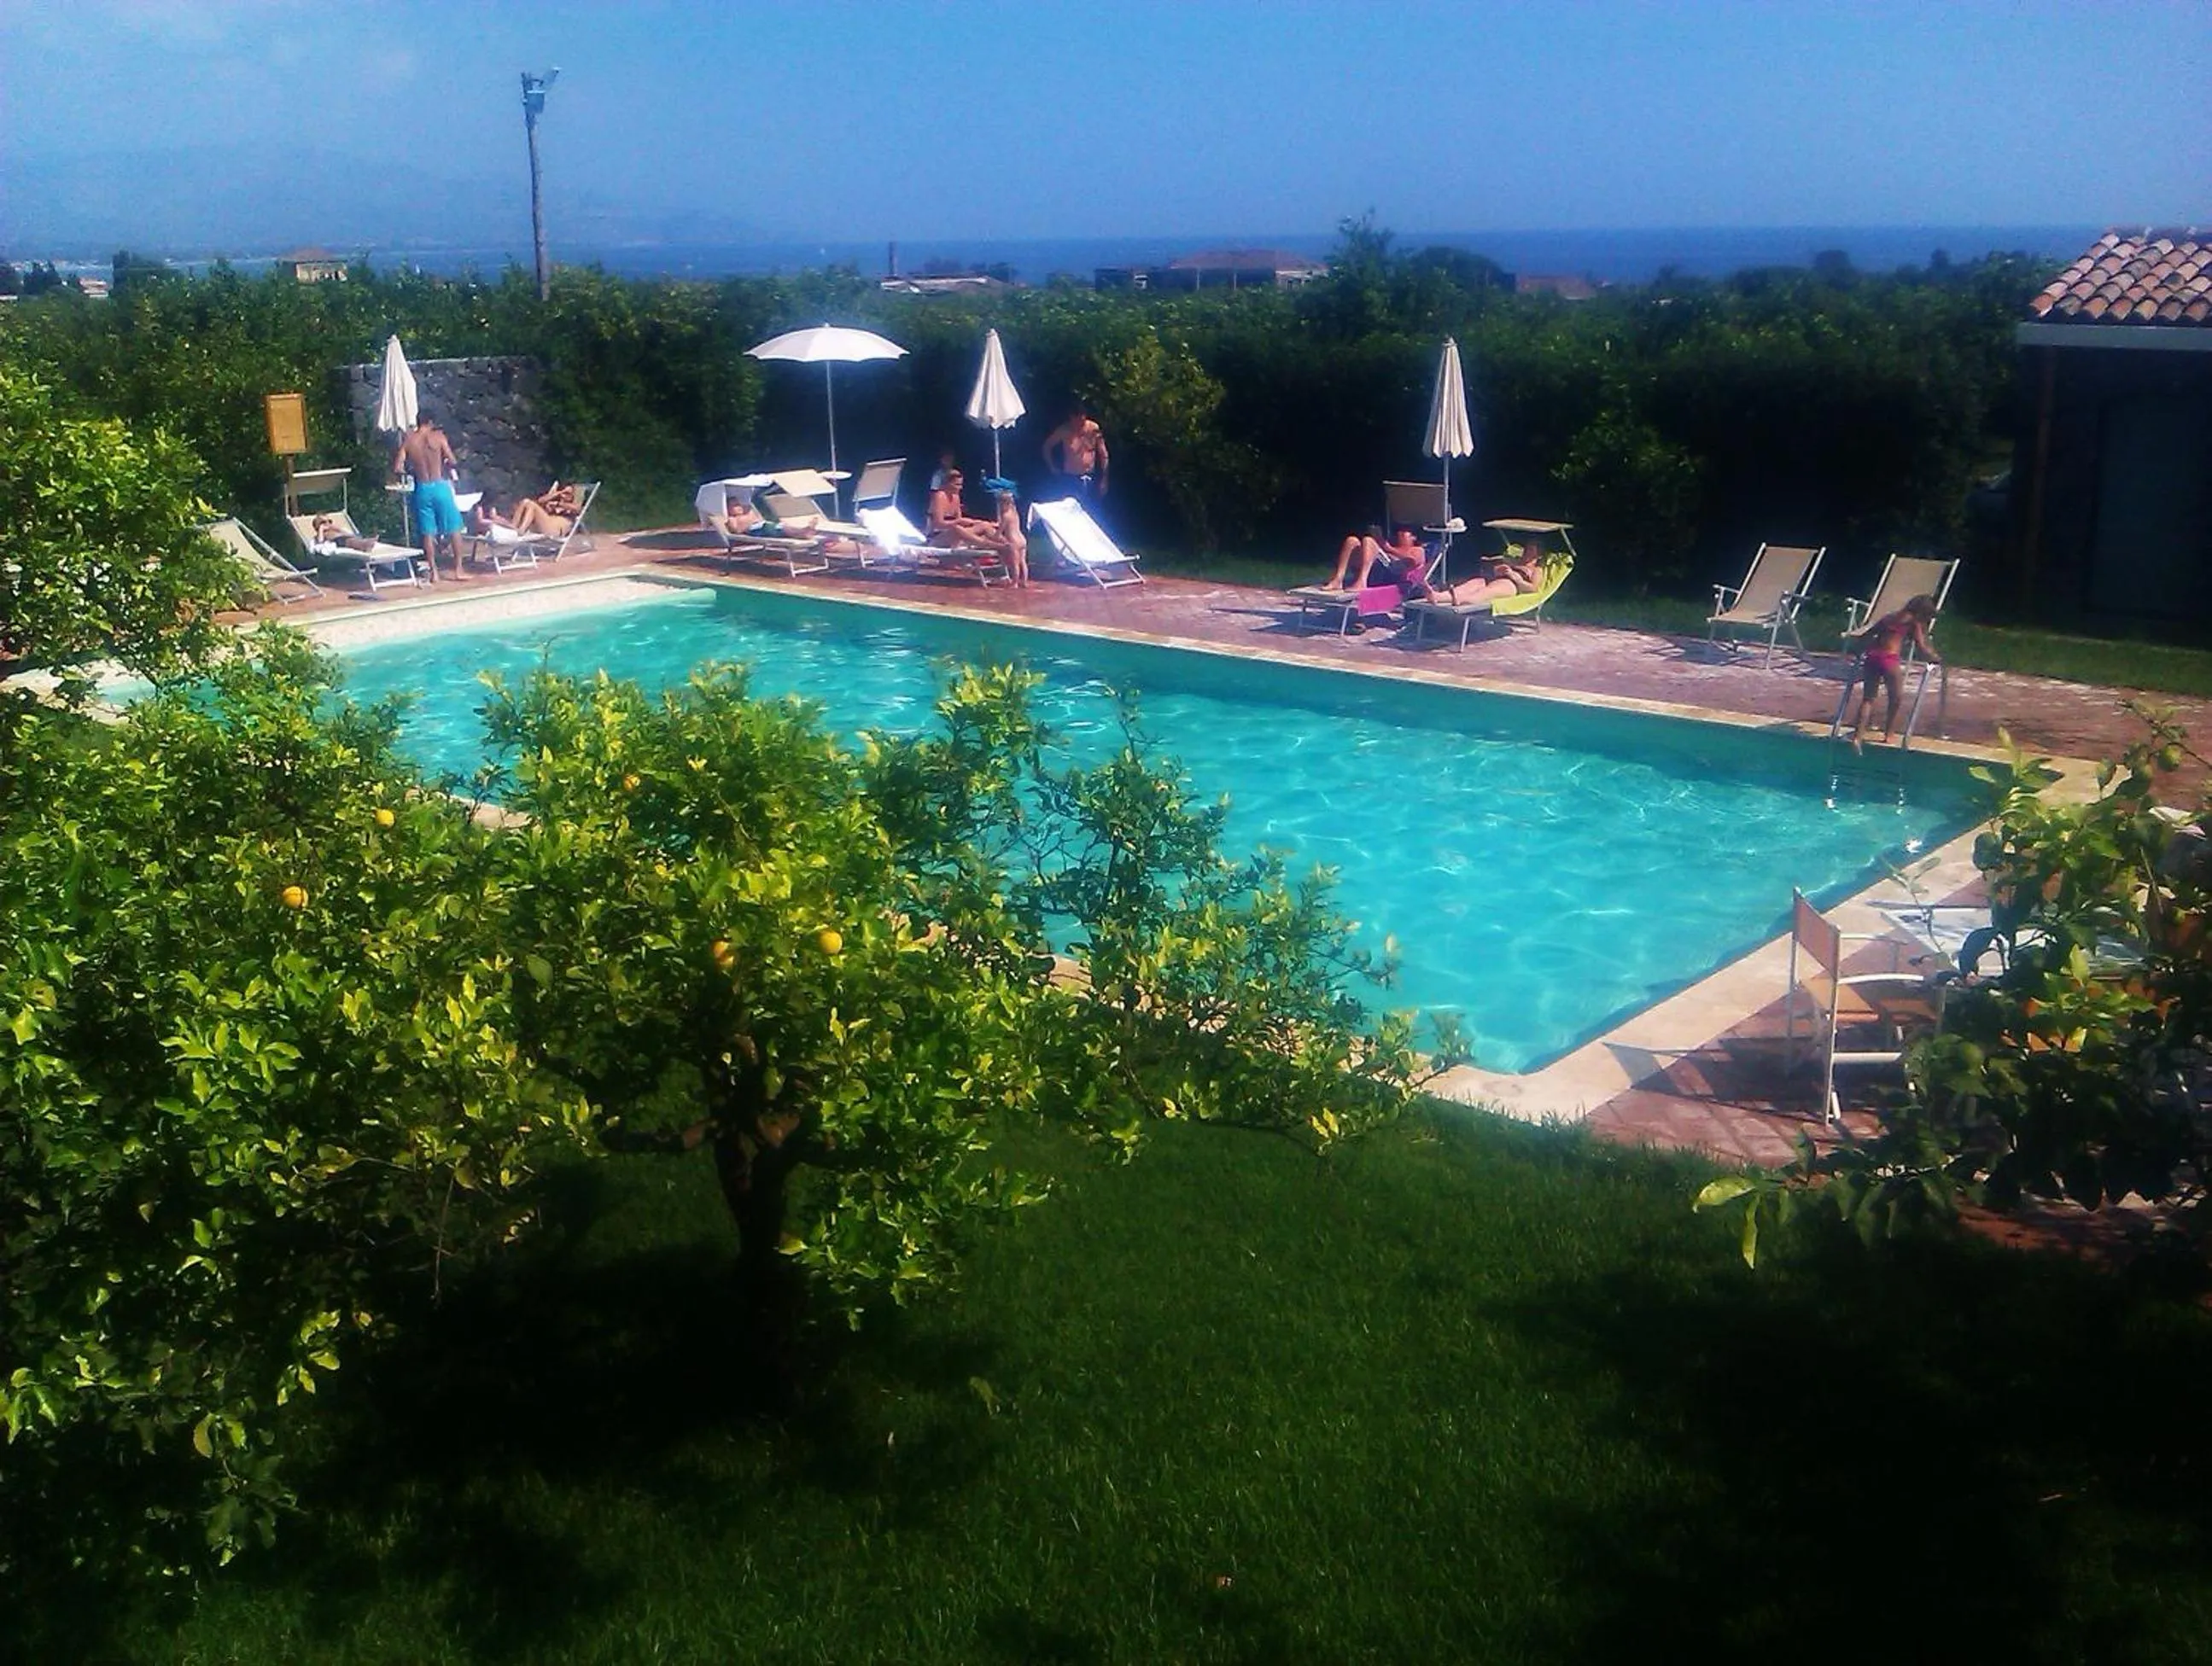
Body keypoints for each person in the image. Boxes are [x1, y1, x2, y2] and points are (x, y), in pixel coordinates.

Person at [1845, 593, 1942, 751]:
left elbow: (1866, 635)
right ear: (1922, 612)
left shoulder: (1889, 617)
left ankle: (1857, 737)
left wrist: (1856, 649)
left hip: (1872, 658)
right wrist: (1936, 658)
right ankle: (1889, 734)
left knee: (1868, 699)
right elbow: (1921, 647)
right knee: (1896, 698)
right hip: (1888, 659)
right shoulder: (1913, 622)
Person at [392, 411, 465, 582]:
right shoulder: (438, 437)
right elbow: (452, 460)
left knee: (428, 532)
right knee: (454, 528)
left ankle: (434, 572)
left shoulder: (409, 441)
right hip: (440, 485)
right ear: (430, 422)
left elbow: (397, 468)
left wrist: (412, 470)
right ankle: (459, 569)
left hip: (422, 488)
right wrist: (445, 463)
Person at [927, 467, 1012, 556]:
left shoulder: (956, 497)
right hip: (936, 537)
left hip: (956, 534)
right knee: (957, 529)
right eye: (957, 485)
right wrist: (958, 521)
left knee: (984, 525)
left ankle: (1007, 543)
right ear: (947, 484)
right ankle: (990, 545)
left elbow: (961, 521)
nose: (960, 488)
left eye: (961, 484)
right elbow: (938, 524)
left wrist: (978, 522)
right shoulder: (939, 496)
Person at [1041, 405, 1109, 500]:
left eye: (1082, 422)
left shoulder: (1093, 428)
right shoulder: (1064, 430)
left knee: (1092, 509)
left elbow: (1103, 454)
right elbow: (1047, 447)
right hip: (1071, 478)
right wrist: (1052, 467)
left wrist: (1104, 478)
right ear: (1071, 418)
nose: (1080, 425)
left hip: (1091, 477)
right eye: (1077, 422)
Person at [988, 478, 1029, 587]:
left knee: (1015, 564)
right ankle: (1024, 581)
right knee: (1023, 562)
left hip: (1013, 541)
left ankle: (1015, 582)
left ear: (1003, 504)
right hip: (1022, 539)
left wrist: (994, 537)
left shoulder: (1005, 516)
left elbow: (1001, 530)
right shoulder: (1014, 512)